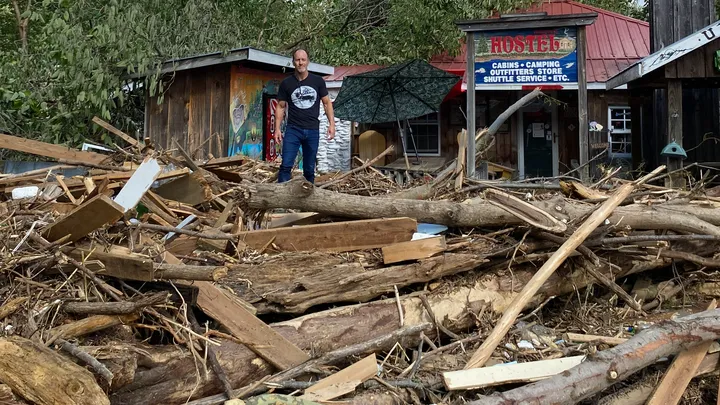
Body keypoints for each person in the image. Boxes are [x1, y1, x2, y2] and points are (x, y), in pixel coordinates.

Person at [274, 49, 335, 184]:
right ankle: (280, 201)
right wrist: (277, 129)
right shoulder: (286, 83)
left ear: (307, 62)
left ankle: (308, 199)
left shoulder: (317, 81)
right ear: (293, 62)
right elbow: (280, 106)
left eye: (303, 60)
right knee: (285, 165)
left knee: (309, 169)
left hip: (312, 130)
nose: (300, 63)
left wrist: (332, 125)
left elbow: (327, 103)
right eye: (297, 60)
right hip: (293, 129)